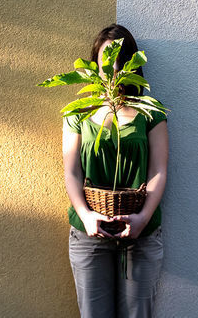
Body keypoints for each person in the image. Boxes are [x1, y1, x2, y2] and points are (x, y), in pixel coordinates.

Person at [62, 24, 169, 318]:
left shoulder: (151, 112)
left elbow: (158, 171)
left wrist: (142, 218)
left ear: (132, 64)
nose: (113, 69)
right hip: (90, 232)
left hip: (141, 233)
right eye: (105, 62)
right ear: (95, 65)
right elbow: (71, 172)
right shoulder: (78, 112)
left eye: (120, 61)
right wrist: (86, 216)